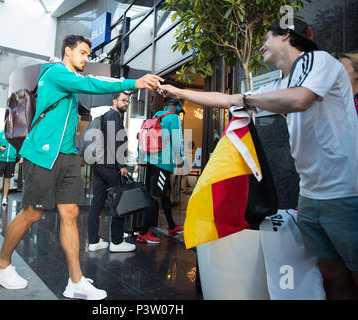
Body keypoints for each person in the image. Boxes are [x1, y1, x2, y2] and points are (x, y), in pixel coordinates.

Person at [161, 18, 358, 299]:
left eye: (267, 38)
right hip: (312, 197)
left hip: (346, 193)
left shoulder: (319, 61)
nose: (262, 46)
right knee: (329, 270)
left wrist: (249, 100)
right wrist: (179, 92)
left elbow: (299, 100)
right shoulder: (281, 84)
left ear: (287, 35)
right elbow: (228, 99)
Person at [0, 34, 163, 300]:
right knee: (32, 214)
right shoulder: (56, 72)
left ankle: (75, 281)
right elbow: (92, 83)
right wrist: (133, 82)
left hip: (67, 156)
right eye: (82, 52)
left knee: (69, 214)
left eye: (88, 54)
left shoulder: (67, 82)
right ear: (67, 52)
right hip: (43, 155)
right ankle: (0, 265)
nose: (86, 58)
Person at [87, 91, 136, 253]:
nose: (125, 104)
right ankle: (117, 241)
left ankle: (93, 241)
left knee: (97, 203)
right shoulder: (114, 116)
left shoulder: (105, 116)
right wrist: (121, 165)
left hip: (99, 165)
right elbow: (115, 141)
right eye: (123, 100)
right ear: (114, 101)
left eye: (127, 101)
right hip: (110, 166)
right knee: (119, 202)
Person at [137, 99, 187, 244]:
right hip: (162, 163)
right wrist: (181, 158)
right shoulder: (174, 118)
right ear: (177, 108)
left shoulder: (156, 117)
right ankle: (143, 233)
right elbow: (177, 141)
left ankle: (172, 227)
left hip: (150, 160)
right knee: (155, 197)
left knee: (164, 194)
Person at [0, 130, 18, 206]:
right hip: (1, 160)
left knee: (7, 180)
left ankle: (5, 198)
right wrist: (0, 148)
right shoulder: (1, 134)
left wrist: (20, 156)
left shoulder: (16, 134)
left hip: (11, 160)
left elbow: (19, 146)